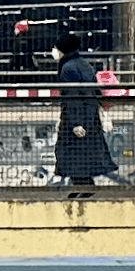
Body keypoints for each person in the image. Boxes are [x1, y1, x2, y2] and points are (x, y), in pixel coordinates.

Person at [52, 37, 117, 192]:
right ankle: (83, 191)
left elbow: (72, 97)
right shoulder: (84, 64)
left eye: (55, 48)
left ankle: (85, 193)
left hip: (76, 122)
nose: (53, 52)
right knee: (84, 162)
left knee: (74, 161)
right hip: (91, 118)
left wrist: (75, 123)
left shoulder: (68, 68)